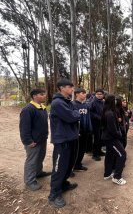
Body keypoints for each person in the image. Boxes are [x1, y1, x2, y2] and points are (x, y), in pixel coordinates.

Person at [48, 79, 81, 208]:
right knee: (59, 168)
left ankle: (63, 184)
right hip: (62, 140)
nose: (72, 89)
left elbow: (74, 114)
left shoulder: (67, 102)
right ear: (61, 88)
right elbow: (72, 117)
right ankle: (54, 194)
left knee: (69, 165)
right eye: (69, 87)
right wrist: (76, 114)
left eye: (72, 87)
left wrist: (75, 113)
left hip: (71, 138)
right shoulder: (57, 103)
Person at [19, 88, 50, 191]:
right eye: (41, 94)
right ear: (34, 96)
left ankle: (38, 173)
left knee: (40, 158)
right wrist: (28, 141)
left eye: (44, 94)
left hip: (42, 139)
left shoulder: (42, 107)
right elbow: (24, 127)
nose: (44, 96)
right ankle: (29, 181)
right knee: (32, 161)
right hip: (33, 142)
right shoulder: (28, 109)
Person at [101, 95, 127, 185]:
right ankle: (117, 177)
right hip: (111, 138)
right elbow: (113, 130)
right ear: (112, 101)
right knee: (122, 154)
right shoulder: (110, 114)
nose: (116, 101)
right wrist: (119, 134)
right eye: (115, 99)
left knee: (110, 155)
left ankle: (107, 173)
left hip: (108, 137)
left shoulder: (109, 111)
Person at [72, 88, 92, 171]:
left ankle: (78, 164)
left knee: (83, 149)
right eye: (82, 93)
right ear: (76, 94)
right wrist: (76, 130)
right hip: (77, 132)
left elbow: (88, 118)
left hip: (85, 130)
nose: (84, 94)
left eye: (85, 93)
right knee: (75, 149)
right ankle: (72, 166)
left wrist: (89, 128)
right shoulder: (72, 105)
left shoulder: (86, 105)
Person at [90, 89, 105, 161]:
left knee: (101, 138)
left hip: (102, 123)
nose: (99, 95)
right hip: (95, 123)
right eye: (97, 94)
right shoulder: (93, 102)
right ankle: (95, 154)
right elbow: (91, 113)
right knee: (96, 139)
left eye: (100, 94)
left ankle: (99, 151)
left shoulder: (102, 102)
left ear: (103, 95)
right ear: (95, 95)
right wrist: (98, 117)